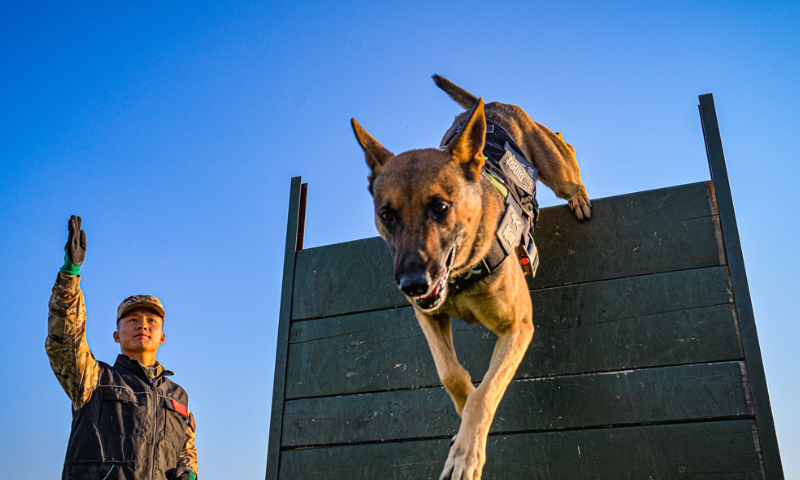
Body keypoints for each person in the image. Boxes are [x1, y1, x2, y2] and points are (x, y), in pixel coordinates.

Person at [46, 215, 198, 480]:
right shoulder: (94, 378)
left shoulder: (178, 398)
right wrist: (70, 276)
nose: (143, 325)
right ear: (117, 335)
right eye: (133, 320)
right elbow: (66, 341)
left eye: (152, 320)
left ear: (162, 336)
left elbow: (187, 453)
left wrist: (190, 474)